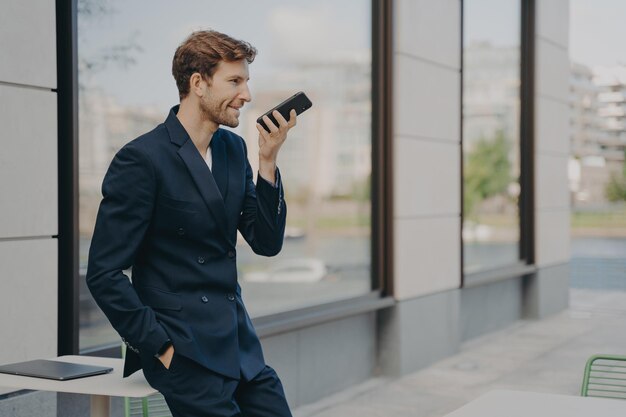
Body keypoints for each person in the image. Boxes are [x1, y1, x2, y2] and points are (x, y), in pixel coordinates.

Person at [86, 30, 296, 417]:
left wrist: (268, 162)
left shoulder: (234, 150)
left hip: (238, 345)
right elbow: (103, 272)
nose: (247, 95)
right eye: (235, 81)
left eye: (247, 81)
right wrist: (160, 346)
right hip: (184, 352)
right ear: (198, 83)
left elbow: (266, 242)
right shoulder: (143, 159)